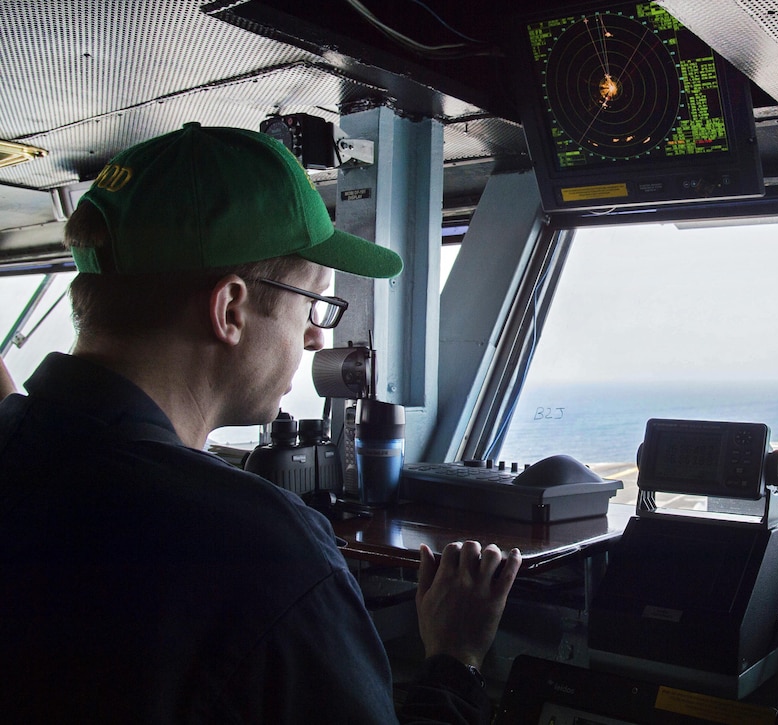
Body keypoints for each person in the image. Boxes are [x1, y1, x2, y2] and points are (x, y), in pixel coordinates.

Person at [0, 122, 521, 723]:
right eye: (312, 302)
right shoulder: (263, 553)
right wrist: (456, 662)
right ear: (230, 309)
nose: (314, 336)